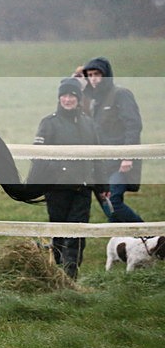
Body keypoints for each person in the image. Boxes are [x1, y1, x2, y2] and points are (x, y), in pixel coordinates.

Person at [27, 78, 109, 279]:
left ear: (79, 99)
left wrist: (102, 185)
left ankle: (71, 276)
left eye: (72, 95)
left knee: (78, 233)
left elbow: (97, 156)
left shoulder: (89, 124)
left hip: (82, 189)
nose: (68, 99)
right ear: (59, 98)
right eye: (64, 95)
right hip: (57, 189)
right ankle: (59, 272)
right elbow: (37, 156)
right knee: (60, 231)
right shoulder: (49, 123)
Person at [78, 57, 144, 222]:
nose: (93, 78)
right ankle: (128, 244)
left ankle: (152, 237)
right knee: (109, 208)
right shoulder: (93, 100)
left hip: (121, 163)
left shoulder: (121, 94)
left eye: (97, 74)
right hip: (103, 164)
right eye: (90, 75)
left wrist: (128, 156)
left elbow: (133, 125)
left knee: (113, 202)